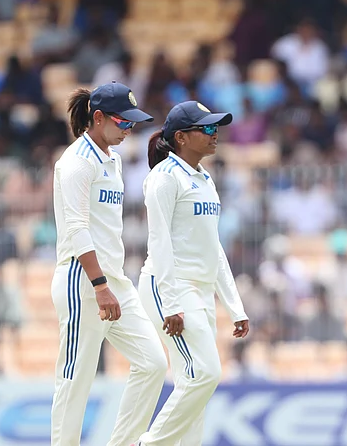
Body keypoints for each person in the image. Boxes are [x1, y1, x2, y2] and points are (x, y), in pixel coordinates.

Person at [50, 82, 167, 446]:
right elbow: (77, 229)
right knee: (75, 379)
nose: (128, 129)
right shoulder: (75, 163)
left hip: (114, 282)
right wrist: (100, 286)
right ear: (97, 118)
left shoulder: (112, 159)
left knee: (153, 364)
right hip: (82, 281)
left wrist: (109, 283)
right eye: (122, 122)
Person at [134, 101, 250, 445]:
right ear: (181, 137)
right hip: (169, 286)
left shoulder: (204, 179)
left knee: (192, 387)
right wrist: (170, 302)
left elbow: (212, 247)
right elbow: (159, 242)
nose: (216, 135)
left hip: (199, 291)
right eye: (208, 129)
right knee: (206, 374)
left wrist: (235, 306)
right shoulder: (164, 178)